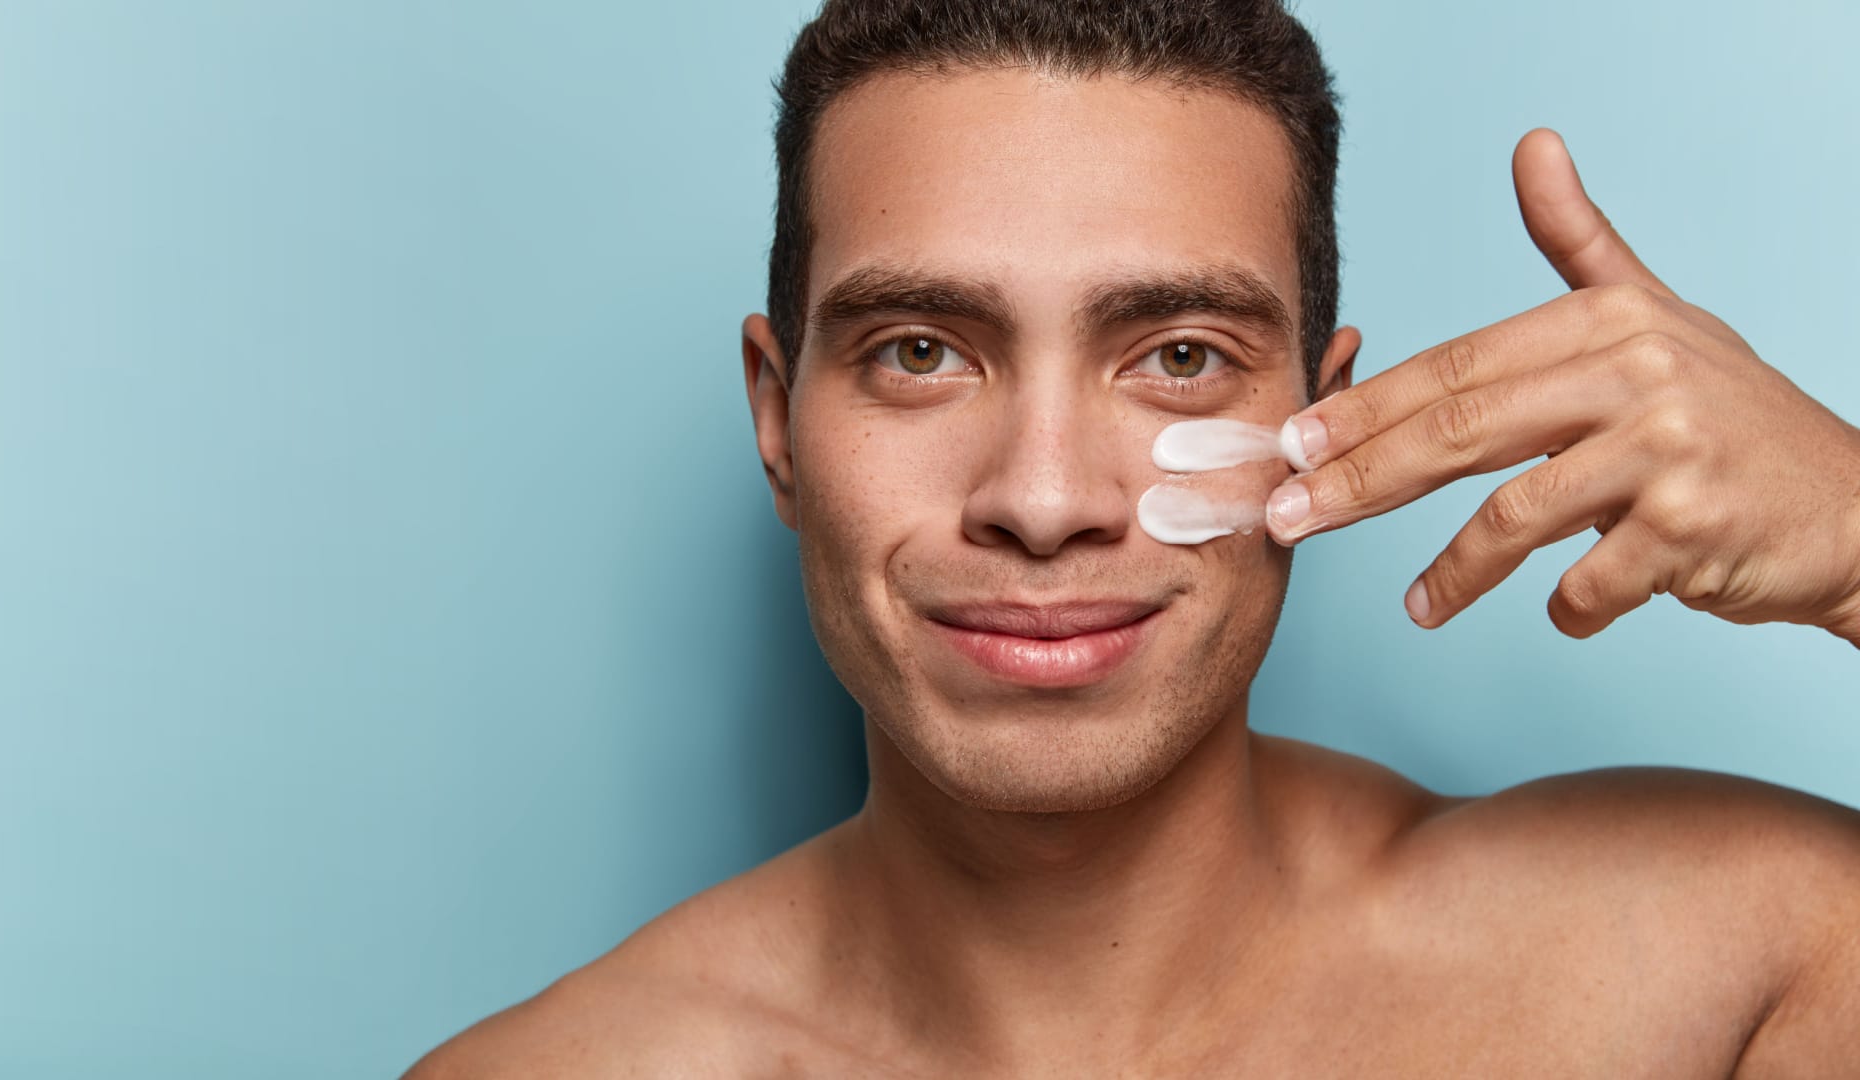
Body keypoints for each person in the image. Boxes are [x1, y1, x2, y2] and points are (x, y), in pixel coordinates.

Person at [406, 0, 1860, 1073]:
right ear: (780, 422)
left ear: (1326, 415)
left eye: (1176, 357)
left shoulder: (1730, 977)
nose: (1044, 501)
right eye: (920, 351)